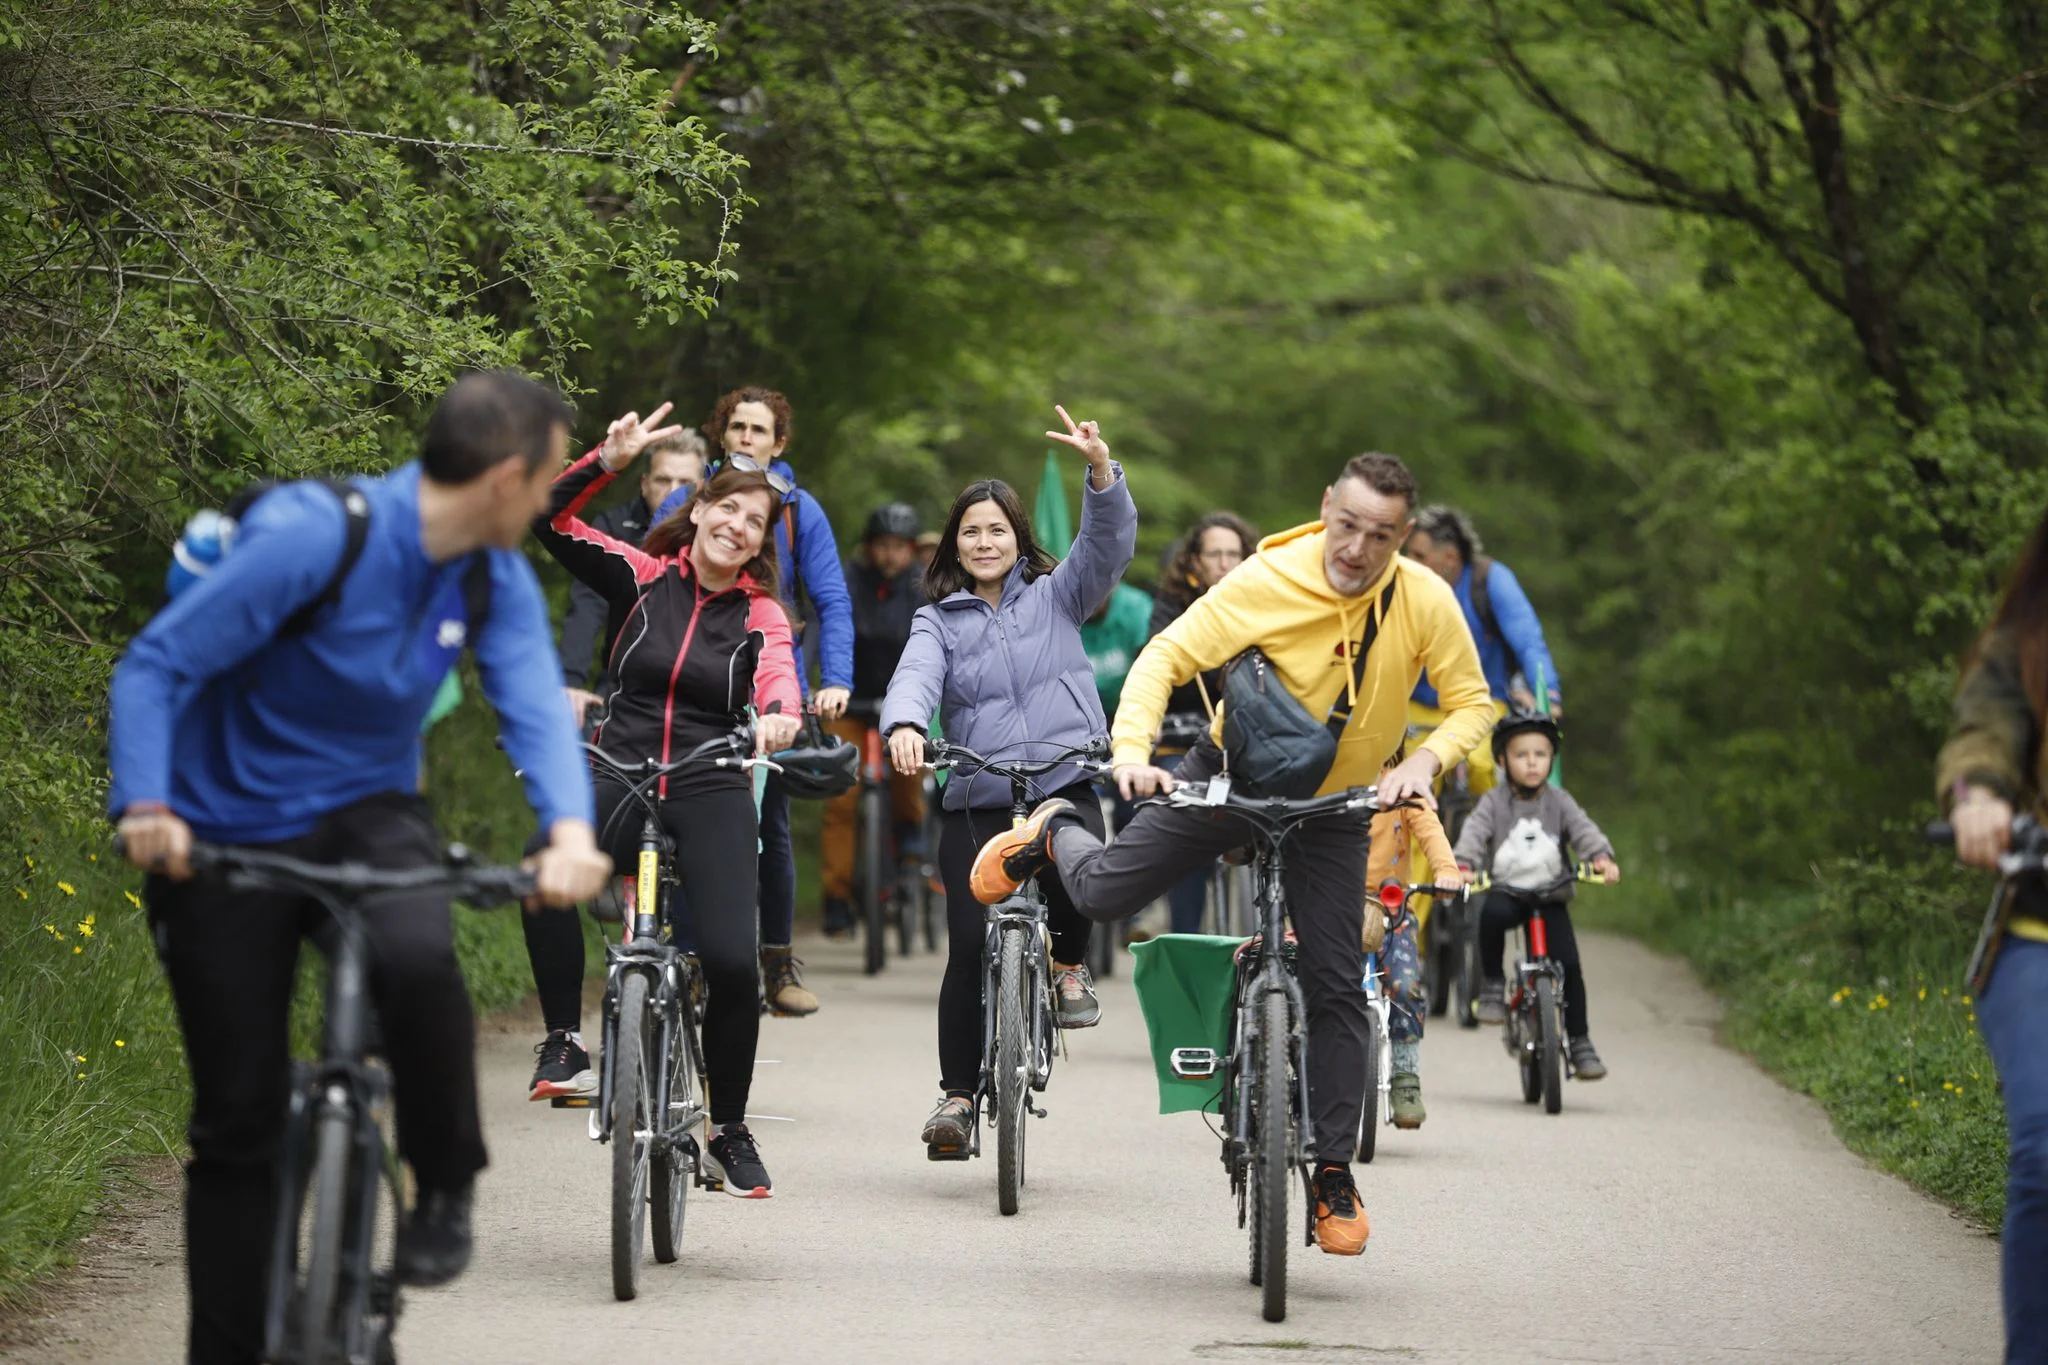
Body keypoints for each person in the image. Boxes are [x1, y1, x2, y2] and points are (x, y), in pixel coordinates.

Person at [108, 371, 614, 1364]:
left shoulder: (490, 573)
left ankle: (444, 1183)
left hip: (367, 813)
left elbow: (528, 703)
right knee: (237, 1120)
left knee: (420, 961)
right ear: (508, 476)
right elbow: (156, 667)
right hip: (221, 821)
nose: (555, 497)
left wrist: (567, 830)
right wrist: (147, 804)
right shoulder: (312, 536)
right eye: (553, 477)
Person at [968, 451, 1496, 1257]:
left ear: (1404, 534)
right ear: (1327, 506)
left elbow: (1472, 703)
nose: (1358, 547)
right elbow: (1164, 658)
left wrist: (1423, 764)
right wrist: (1135, 749)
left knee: (1334, 980)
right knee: (1105, 893)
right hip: (1230, 776)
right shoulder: (1267, 578)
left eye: (1381, 534)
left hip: (1337, 805)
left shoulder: (1422, 599)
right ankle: (1050, 833)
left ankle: (1329, 1172)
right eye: (1348, 524)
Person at [521, 403, 804, 1197]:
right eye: (730, 509)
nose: (740, 526)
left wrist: (782, 714)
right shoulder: (643, 577)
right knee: (545, 867)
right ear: (700, 510)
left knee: (728, 958)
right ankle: (563, 1043)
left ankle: (731, 1128)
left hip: (713, 779)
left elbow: (779, 675)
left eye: (756, 521)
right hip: (623, 765)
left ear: (759, 544)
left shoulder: (760, 614)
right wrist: (604, 461)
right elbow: (547, 518)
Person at [881, 406, 1137, 1157]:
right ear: (954, 544)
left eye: (997, 529)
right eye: (970, 531)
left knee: (1079, 874)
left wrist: (1099, 470)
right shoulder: (937, 619)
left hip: (1062, 778)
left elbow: (1109, 542)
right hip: (975, 794)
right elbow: (915, 678)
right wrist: (904, 726)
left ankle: (1064, 965)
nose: (984, 542)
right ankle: (957, 1098)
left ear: (1018, 537)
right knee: (966, 947)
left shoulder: (1058, 592)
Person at [1936, 511, 2048, 1364]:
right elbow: (1986, 727)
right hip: (2038, 928)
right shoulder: (2027, 635)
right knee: (2046, 1144)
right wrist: (1978, 794)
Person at [706, 386, 854, 1017]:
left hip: (773, 687)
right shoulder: (699, 501)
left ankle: (776, 960)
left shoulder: (799, 512)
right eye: (736, 427)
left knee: (771, 829)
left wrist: (835, 677)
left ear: (779, 443)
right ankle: (686, 955)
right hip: (703, 677)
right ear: (721, 436)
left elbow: (831, 600)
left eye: (758, 430)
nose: (745, 437)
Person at [1454, 710, 1620, 1078]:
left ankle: (1580, 1042)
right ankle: (1493, 984)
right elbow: (1474, 833)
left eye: (1540, 755)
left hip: (1550, 894)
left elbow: (1584, 831)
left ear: (1551, 760)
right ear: (1502, 760)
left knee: (1571, 968)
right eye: (1521, 755)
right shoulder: (1493, 803)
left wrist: (1601, 858)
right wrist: (1462, 866)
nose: (1531, 763)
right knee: (1491, 915)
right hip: (1508, 892)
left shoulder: (1560, 802)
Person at [820, 502, 928, 938]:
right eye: (882, 546)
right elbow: (824, 628)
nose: (890, 556)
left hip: (902, 704)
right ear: (868, 548)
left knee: (907, 770)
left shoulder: (922, 587)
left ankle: (910, 834)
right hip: (850, 700)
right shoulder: (846, 581)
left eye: (899, 548)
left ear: (910, 551)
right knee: (840, 798)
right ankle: (837, 899)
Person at [1149, 512, 1259, 933]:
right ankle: (1186, 937)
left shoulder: (1263, 598)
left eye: (1233, 553)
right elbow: (1155, 661)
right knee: (1184, 820)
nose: (1225, 563)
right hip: (1184, 741)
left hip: (1248, 742)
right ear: (1194, 560)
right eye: (1215, 554)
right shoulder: (1172, 603)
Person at [1406, 505, 1563, 797]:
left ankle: (1495, 834)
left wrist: (1548, 694)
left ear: (1449, 558)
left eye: (1419, 556)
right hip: (1419, 706)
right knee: (1409, 789)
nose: (1407, 561)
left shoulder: (1490, 580)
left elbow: (1528, 640)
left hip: (1483, 701)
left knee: (1483, 765)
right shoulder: (1401, 584)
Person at [557, 428, 707, 726]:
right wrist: (570, 683)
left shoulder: (721, 537)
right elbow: (587, 605)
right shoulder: (613, 526)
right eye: (663, 480)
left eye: (685, 483)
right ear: (644, 484)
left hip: (704, 694)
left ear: (703, 488)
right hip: (622, 688)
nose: (674, 492)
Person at [1365, 755, 1463, 1129]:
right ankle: (1306, 1075)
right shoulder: (1330, 778)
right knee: (1317, 985)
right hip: (1336, 905)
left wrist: (1447, 870)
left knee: (1405, 985)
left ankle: (1405, 1078)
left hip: (1392, 907)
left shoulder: (1403, 785)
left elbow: (1430, 830)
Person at [1081, 577, 1154, 715]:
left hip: (1131, 712)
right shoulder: (1057, 616)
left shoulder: (1137, 607)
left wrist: (1149, 709)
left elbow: (1153, 665)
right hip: (1082, 718)